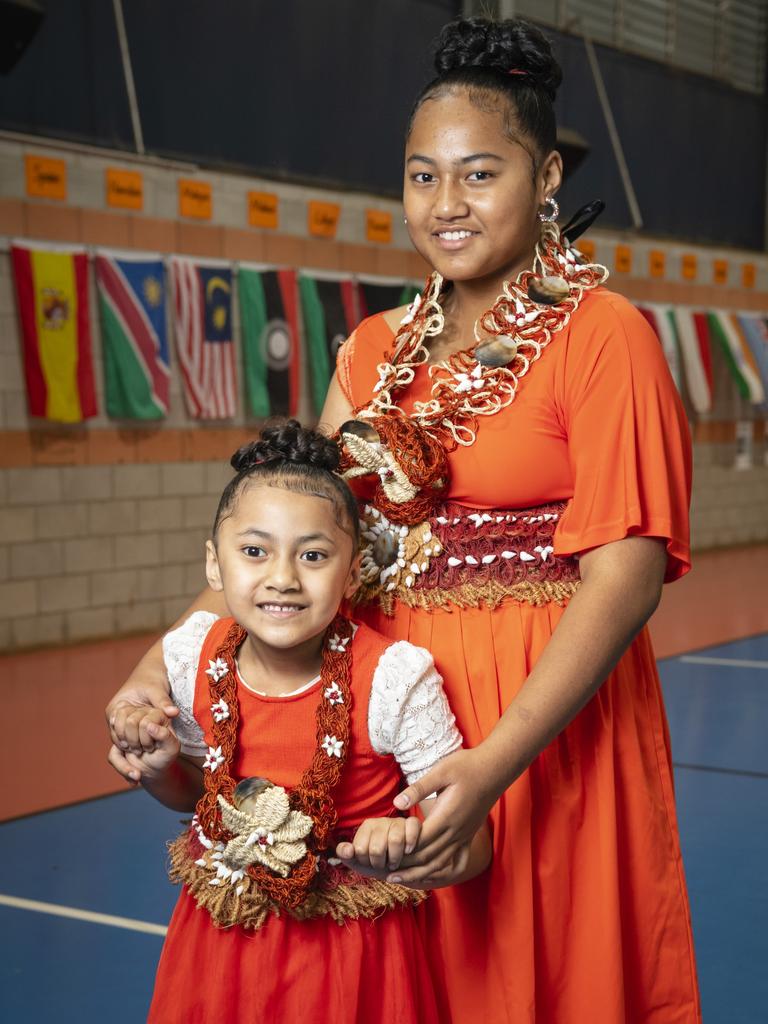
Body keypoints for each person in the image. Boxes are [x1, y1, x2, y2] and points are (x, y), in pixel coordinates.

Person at [108, 16, 701, 1023]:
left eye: (480, 173)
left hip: (533, 727)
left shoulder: (607, 336)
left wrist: (492, 764)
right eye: (423, 176)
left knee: (532, 973)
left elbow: (627, 574)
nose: (446, 203)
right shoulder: (376, 347)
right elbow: (292, 522)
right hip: (383, 717)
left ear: (547, 174)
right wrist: (152, 668)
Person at [108, 420, 490, 1024]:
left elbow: (472, 850)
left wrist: (403, 843)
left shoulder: (394, 679)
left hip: (350, 958)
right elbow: (197, 799)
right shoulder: (192, 658)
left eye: (312, 555)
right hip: (220, 939)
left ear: (355, 569)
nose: (282, 578)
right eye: (254, 551)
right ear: (215, 564)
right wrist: (158, 772)